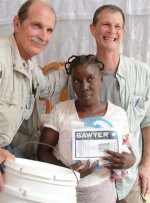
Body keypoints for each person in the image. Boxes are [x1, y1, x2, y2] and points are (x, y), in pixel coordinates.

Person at [65, 4, 150, 203]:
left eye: (117, 26)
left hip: (131, 180)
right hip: (92, 184)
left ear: (124, 32)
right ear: (92, 29)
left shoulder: (143, 73)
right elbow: (71, 125)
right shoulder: (78, 76)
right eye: (105, 24)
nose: (112, 31)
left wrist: (146, 166)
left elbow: (147, 122)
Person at [37, 54, 135, 203]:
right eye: (77, 80)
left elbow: (129, 152)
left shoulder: (117, 114)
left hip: (102, 193)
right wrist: (69, 173)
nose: (84, 86)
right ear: (72, 82)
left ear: (101, 78)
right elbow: (42, 151)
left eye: (90, 78)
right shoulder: (61, 110)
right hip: (63, 189)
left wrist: (129, 161)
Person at [0, 0, 67, 159]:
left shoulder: (29, 65)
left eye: (49, 30)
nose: (44, 37)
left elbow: (47, 88)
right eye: (36, 26)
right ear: (17, 24)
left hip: (10, 149)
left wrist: (71, 68)